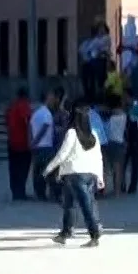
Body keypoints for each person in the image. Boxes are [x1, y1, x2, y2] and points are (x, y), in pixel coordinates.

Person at [43, 103, 104, 246]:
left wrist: (49, 168)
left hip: (75, 175)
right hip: (90, 174)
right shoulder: (93, 134)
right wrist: (100, 176)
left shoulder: (72, 133)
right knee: (69, 203)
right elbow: (98, 157)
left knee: (84, 206)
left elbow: (63, 154)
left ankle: (94, 234)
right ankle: (65, 232)